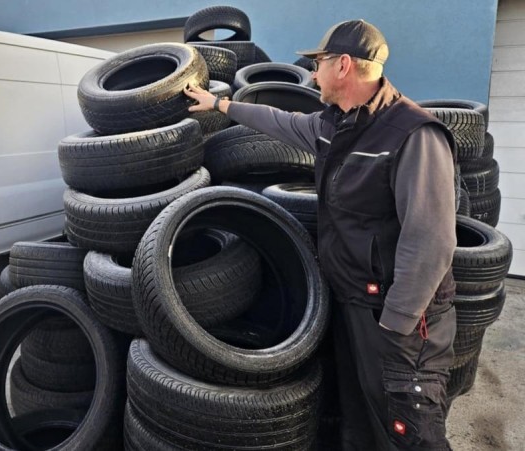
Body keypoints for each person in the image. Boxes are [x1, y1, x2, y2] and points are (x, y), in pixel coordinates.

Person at [185, 19, 457, 450]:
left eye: (319, 64)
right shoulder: (336, 125)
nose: (313, 75)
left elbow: (431, 241)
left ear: (344, 65)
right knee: (360, 421)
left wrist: (396, 323)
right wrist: (221, 104)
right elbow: (280, 121)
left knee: (409, 431)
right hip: (354, 301)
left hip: (399, 319)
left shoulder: (413, 134)